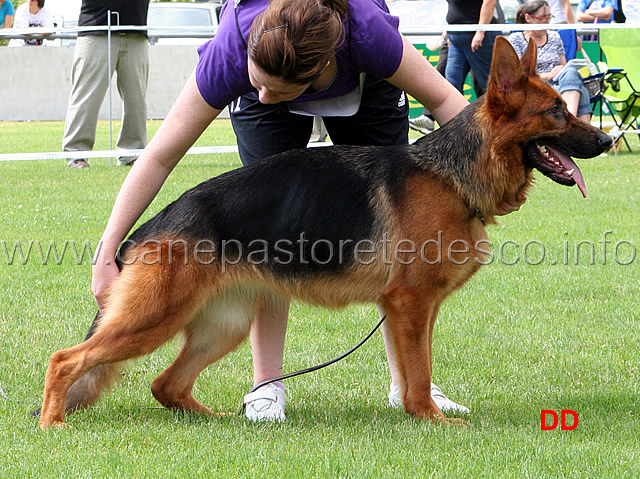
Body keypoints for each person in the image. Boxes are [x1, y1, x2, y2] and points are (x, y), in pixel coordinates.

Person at [92, 0, 523, 423]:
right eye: (256, 82)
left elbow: (452, 107)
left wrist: (484, 185)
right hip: (272, 73)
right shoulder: (234, 51)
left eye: (272, 90)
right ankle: (266, 386)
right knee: (264, 233)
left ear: (319, 73)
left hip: (366, 85)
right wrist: (108, 249)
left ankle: (411, 390)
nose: (260, 95)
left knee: (406, 238)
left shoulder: (368, 32)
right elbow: (159, 157)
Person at [62, 0, 149, 169]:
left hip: (136, 30)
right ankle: (77, 153)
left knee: (136, 99)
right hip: (95, 30)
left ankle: (132, 152)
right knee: (86, 97)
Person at [509, 0, 593, 123]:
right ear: (528, 18)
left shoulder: (554, 37)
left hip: (559, 84)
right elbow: (519, 77)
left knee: (571, 72)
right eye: (542, 17)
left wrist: (562, 70)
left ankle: (570, 126)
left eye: (549, 17)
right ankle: (571, 126)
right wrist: (548, 75)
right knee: (582, 92)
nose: (547, 21)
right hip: (534, 89)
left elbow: (564, 67)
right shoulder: (516, 39)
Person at [444, 0, 498, 97]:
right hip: (456, 37)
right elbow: (455, 8)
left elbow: (490, 1)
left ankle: (499, 111)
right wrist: (449, 30)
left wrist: (480, 31)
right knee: (452, 83)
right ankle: (455, 112)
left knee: (489, 84)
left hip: (480, 38)